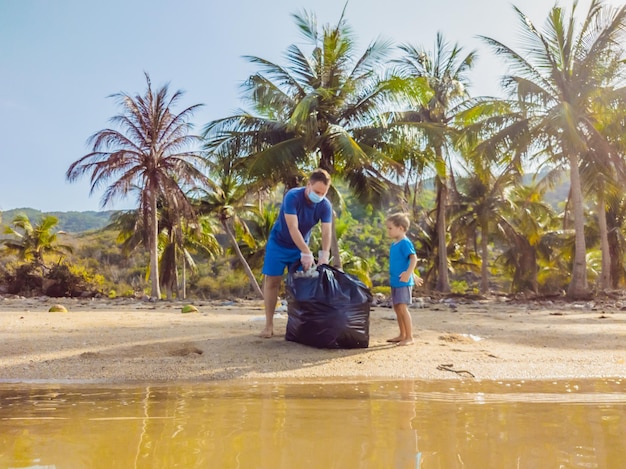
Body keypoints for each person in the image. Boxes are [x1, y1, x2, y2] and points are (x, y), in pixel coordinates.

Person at [260, 169, 333, 338]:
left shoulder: (324, 205)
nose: (320, 195)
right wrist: (306, 252)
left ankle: (301, 326)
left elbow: (326, 232)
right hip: (279, 244)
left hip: (301, 246)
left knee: (305, 283)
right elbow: (293, 227)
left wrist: (324, 254)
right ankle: (269, 325)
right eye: (316, 192)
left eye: (323, 193)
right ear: (308, 185)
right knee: (273, 281)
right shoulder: (293, 196)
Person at [385, 212, 422, 346]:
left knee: (402, 307)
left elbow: (413, 258)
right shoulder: (395, 244)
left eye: (390, 228)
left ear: (400, 228)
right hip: (395, 281)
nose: (388, 231)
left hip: (403, 282)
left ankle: (409, 337)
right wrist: (413, 274)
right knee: (397, 307)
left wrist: (409, 273)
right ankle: (402, 334)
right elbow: (405, 261)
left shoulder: (405, 243)